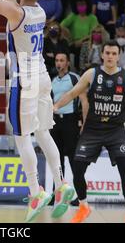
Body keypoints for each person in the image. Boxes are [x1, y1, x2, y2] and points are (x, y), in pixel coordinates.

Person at [0, 0, 75, 222]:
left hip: (24, 80)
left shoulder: (16, 12)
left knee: (22, 137)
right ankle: (62, 184)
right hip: (43, 77)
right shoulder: (39, 11)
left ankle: (36, 190)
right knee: (44, 132)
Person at [53, 40, 125, 223]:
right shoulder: (91, 74)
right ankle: (83, 207)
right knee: (78, 170)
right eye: (108, 53)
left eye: (114, 53)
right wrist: (56, 105)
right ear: (102, 55)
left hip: (115, 130)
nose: (111, 56)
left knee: (124, 169)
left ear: (119, 56)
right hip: (92, 130)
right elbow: (73, 93)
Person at [51, 52, 88, 181]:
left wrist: (85, 123)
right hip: (56, 121)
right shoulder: (53, 80)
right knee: (57, 158)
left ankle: (79, 193)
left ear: (68, 63)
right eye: (57, 60)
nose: (59, 63)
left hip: (70, 121)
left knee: (73, 158)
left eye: (62, 60)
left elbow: (84, 101)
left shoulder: (75, 78)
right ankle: (59, 191)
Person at [60, 0, 98, 71]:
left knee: (83, 47)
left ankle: (80, 70)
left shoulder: (92, 18)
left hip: (87, 42)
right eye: (79, 5)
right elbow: (61, 26)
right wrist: (68, 35)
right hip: (73, 42)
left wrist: (81, 41)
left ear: (87, 5)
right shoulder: (73, 16)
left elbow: (93, 33)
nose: (81, 6)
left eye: (83, 4)